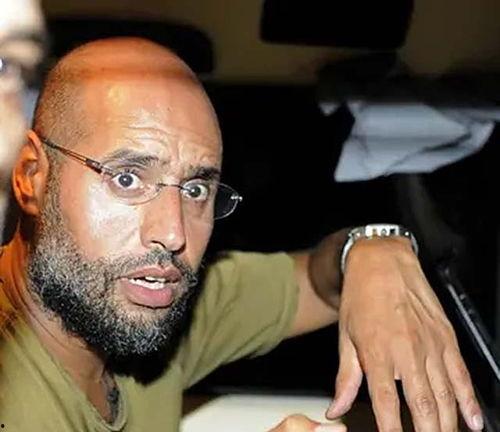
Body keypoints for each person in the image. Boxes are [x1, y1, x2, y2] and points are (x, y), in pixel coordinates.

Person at [0, 10, 482, 432]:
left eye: (195, 189)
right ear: (31, 175)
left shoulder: (142, 304)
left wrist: (371, 249)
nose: (172, 233)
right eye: (127, 179)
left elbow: (318, 285)